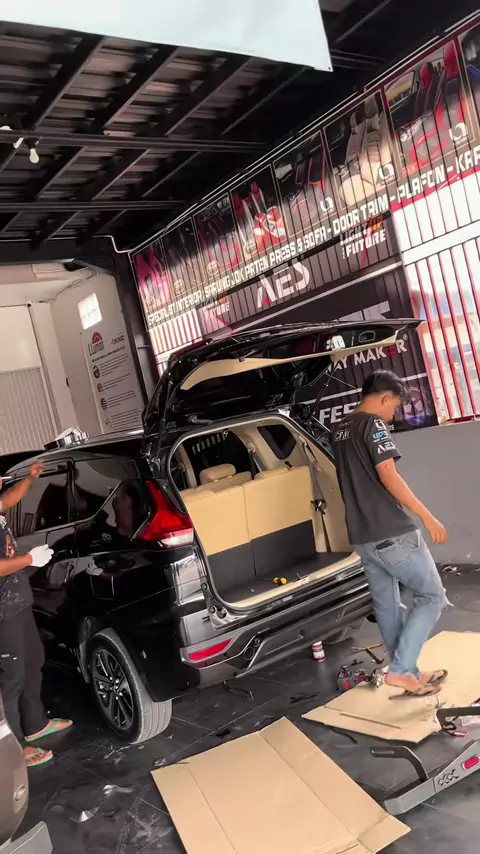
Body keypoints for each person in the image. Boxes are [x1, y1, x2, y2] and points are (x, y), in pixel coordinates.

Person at [332, 370, 449, 698]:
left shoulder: (339, 429)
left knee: (387, 607)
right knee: (432, 596)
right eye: (394, 406)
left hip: (363, 537)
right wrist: (427, 516)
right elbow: (388, 474)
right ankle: (400, 670)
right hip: (392, 532)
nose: (392, 414)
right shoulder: (373, 425)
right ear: (384, 397)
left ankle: (406, 673)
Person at [0, 461, 72, 767]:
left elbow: (9, 498)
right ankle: (15, 749)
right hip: (3, 613)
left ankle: (35, 724)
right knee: (12, 678)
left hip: (17, 603)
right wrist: (30, 559)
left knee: (33, 661)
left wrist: (30, 478)